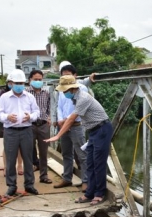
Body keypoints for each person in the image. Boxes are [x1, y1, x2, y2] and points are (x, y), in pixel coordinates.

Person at [45, 75, 112, 206]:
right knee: (91, 162)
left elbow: (71, 119)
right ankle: (90, 193)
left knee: (99, 163)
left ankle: (99, 194)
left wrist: (58, 136)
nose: (64, 93)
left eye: (65, 91)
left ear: (72, 89)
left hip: (102, 129)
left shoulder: (83, 98)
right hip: (93, 130)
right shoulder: (75, 98)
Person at [0, 69, 40, 196]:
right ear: (11, 83)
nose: (20, 85)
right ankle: (11, 185)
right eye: (17, 83)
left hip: (26, 130)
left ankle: (29, 184)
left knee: (28, 158)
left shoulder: (30, 97)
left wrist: (30, 117)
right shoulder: (4, 97)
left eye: (22, 83)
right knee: (10, 160)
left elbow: (36, 112)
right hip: (10, 131)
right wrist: (7, 117)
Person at [53, 63, 94, 190]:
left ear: (75, 76)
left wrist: (66, 120)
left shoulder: (82, 89)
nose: (65, 78)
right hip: (63, 125)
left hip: (76, 125)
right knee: (66, 153)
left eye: (68, 75)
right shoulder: (61, 89)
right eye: (63, 76)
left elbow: (79, 109)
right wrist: (60, 119)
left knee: (82, 154)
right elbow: (59, 106)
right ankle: (67, 178)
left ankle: (86, 181)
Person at [26, 70, 52, 184]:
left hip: (43, 125)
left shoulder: (46, 93)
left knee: (44, 152)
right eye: (35, 79)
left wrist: (49, 118)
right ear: (30, 80)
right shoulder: (25, 93)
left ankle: (44, 176)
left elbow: (49, 108)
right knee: (28, 150)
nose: (38, 81)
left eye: (40, 80)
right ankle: (29, 178)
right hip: (29, 125)